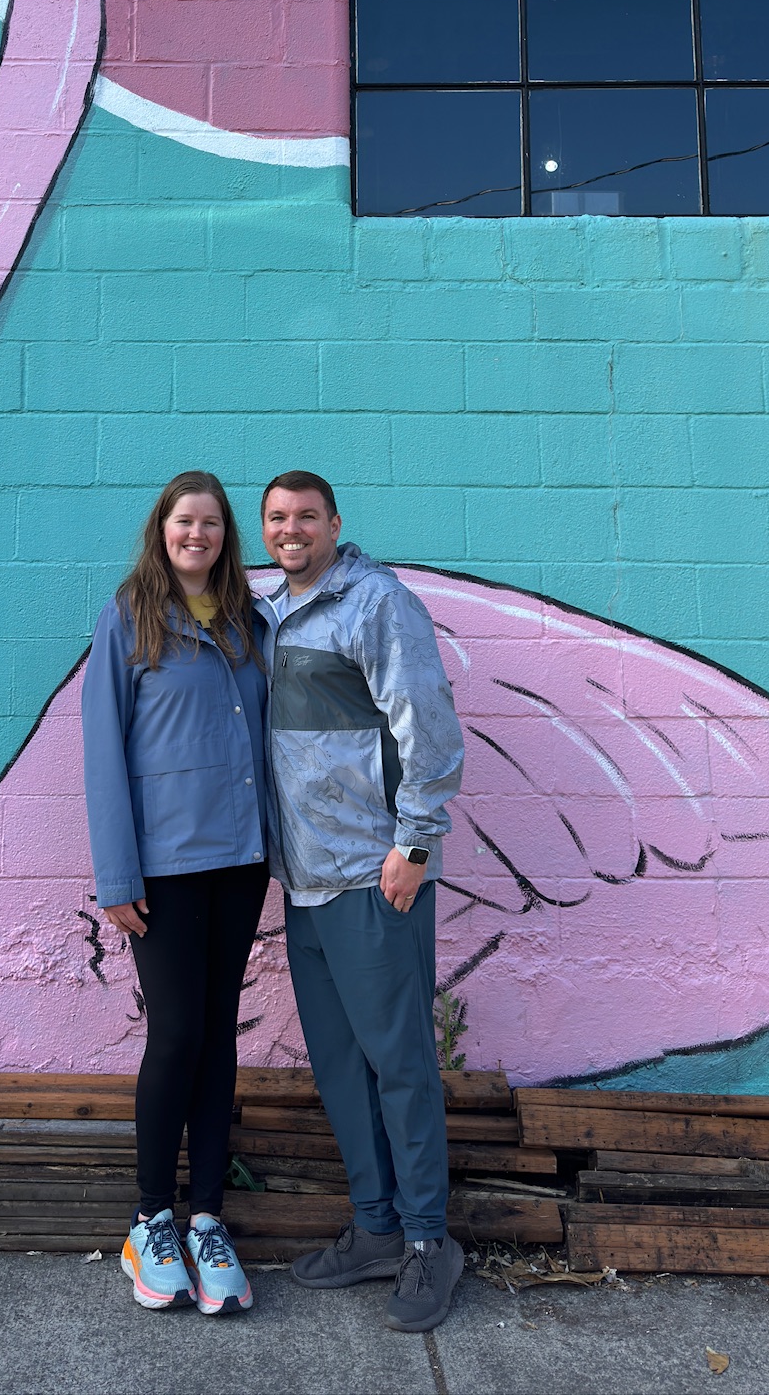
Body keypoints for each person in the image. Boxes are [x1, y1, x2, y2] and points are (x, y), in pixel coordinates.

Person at [256, 470, 466, 1334]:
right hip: (302, 882)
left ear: (335, 523)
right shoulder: (270, 613)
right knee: (341, 1067)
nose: (291, 529)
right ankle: (376, 1228)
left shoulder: (376, 603)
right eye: (277, 517)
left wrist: (413, 846)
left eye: (306, 516)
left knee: (400, 1064)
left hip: (373, 877)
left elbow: (429, 726)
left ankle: (427, 1241)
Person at [82, 470, 271, 1317]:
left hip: (242, 861)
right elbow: (102, 753)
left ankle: (206, 1219)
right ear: (161, 530)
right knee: (177, 1034)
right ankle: (150, 1218)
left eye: (211, 523)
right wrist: (117, 876)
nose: (197, 534)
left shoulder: (248, 621)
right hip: (163, 868)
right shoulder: (130, 618)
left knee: (219, 1034)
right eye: (183, 521)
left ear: (227, 537)